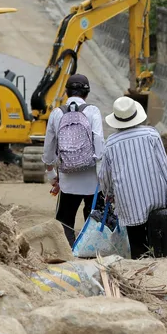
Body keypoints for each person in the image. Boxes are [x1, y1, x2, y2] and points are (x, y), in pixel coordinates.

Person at [98, 96, 167, 259]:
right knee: (158, 236)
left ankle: (141, 263)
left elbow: (104, 175)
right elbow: (164, 166)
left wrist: (108, 194)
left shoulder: (111, 143)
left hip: (129, 201)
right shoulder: (151, 134)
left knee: (136, 242)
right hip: (156, 196)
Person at [42, 74, 105, 246]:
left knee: (65, 217)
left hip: (67, 177)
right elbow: (99, 142)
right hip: (92, 178)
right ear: (87, 93)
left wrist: (50, 173)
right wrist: (102, 174)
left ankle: (66, 250)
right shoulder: (93, 111)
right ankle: (90, 249)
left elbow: (49, 147)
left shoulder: (56, 113)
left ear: (66, 92)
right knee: (94, 215)